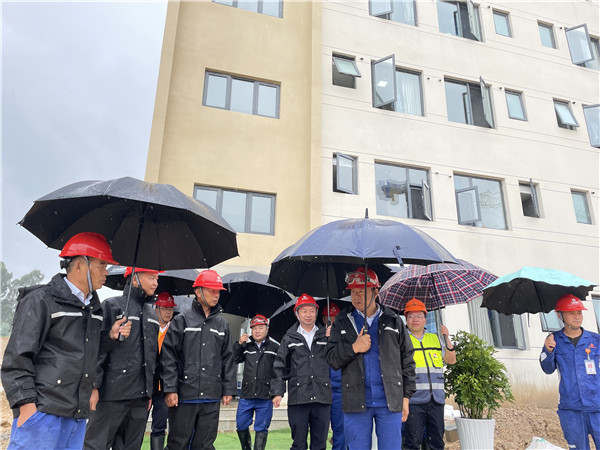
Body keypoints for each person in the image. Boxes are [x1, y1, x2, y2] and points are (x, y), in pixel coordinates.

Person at [1, 232, 131, 450]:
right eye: (101, 265)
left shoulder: (94, 308)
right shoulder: (41, 301)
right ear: (80, 265)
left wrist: (109, 337)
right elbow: (17, 359)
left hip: (76, 416)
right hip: (42, 414)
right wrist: (27, 407)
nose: (106, 272)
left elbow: (82, 350)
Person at [326, 268, 416, 450]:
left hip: (390, 400)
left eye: (361, 291)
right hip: (355, 400)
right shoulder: (342, 321)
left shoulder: (393, 320)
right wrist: (354, 348)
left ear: (376, 292)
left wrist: (406, 397)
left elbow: (407, 360)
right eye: (353, 292)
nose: (356, 296)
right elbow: (331, 358)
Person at [84, 266, 160, 450]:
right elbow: (97, 350)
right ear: (134, 279)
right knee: (96, 446)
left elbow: (153, 357)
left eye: (157, 279)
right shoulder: (111, 306)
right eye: (151, 278)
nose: (156, 283)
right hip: (110, 395)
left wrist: (149, 392)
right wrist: (94, 386)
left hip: (140, 399)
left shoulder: (152, 315)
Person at [160, 269, 236, 450]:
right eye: (211, 290)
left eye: (218, 291)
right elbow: (169, 356)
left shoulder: (223, 324)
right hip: (184, 395)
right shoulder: (182, 320)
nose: (216, 295)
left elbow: (228, 358)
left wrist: (229, 389)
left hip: (211, 396)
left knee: (205, 445)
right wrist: (170, 389)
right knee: (178, 444)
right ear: (198, 291)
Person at [271, 293, 332, 450]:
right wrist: (277, 392)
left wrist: (333, 339)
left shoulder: (326, 335)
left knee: (320, 444)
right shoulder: (289, 338)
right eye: (304, 311)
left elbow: (337, 358)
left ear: (317, 312)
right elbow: (279, 365)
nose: (308, 315)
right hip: (298, 397)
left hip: (322, 396)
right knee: (298, 444)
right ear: (297, 314)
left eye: (311, 311)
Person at [540, 293, 600, 450]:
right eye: (571, 313)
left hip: (597, 406)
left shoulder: (595, 340)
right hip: (570, 409)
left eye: (579, 312)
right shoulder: (553, 340)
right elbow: (547, 369)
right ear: (560, 316)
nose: (577, 317)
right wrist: (548, 350)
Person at [402, 298, 455, 450]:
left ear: (425, 319)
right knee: (412, 442)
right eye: (411, 316)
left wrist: (446, 337)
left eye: (419, 316)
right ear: (406, 319)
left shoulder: (435, 338)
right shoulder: (402, 341)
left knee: (437, 442)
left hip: (436, 400)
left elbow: (451, 360)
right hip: (414, 400)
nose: (415, 320)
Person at [234, 314, 280, 450]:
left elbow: (279, 372)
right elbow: (234, 358)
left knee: (261, 427)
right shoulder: (247, 347)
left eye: (261, 328)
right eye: (254, 328)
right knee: (241, 424)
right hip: (247, 394)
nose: (257, 331)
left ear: (267, 329)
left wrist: (277, 392)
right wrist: (239, 343)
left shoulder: (275, 347)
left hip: (265, 395)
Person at [150, 291, 177, 450]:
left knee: (159, 426)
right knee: (135, 425)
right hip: (146, 385)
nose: (168, 312)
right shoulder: (148, 327)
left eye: (171, 309)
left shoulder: (175, 330)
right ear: (156, 309)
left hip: (165, 386)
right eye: (165, 308)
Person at [322, 302, 346, 450]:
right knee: (319, 432)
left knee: (340, 430)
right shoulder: (317, 336)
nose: (332, 320)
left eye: (335, 317)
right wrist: (325, 340)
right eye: (329, 317)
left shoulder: (346, 337)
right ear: (324, 319)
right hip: (321, 390)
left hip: (340, 390)